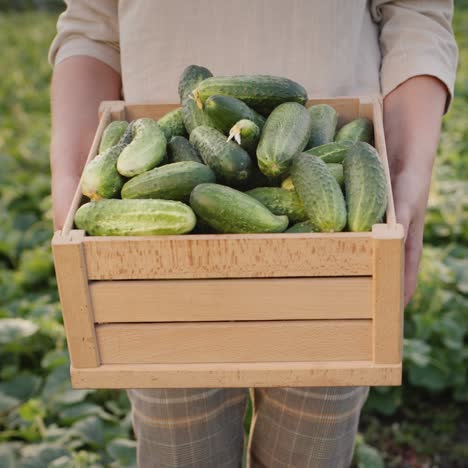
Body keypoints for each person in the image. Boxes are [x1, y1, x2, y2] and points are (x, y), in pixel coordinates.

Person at [49, 1, 458, 467]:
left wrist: (407, 169)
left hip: (339, 222)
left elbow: (416, 11)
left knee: (311, 451)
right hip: (154, 258)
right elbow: (92, 26)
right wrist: (70, 177)